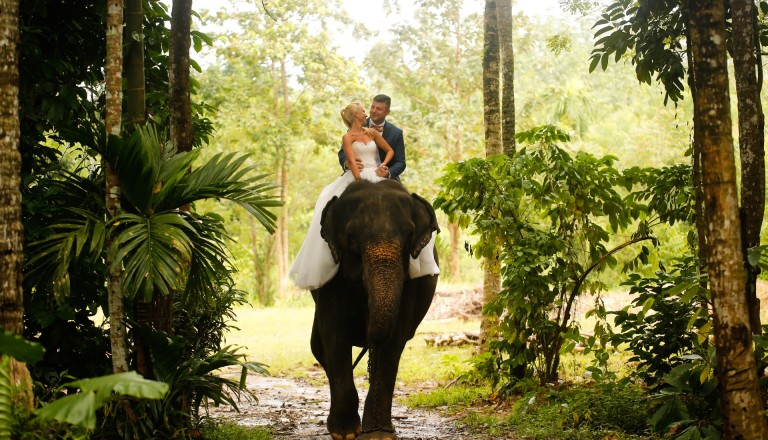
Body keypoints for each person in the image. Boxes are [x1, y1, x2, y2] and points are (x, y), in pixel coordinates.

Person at [289, 102, 395, 289]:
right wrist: (360, 182)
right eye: (363, 111)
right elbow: (352, 163)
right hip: (358, 177)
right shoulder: (347, 138)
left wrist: (383, 166)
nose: (367, 113)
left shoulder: (372, 133)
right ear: (356, 115)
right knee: (327, 200)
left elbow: (390, 151)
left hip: (377, 175)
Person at [338, 94, 406, 180]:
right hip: (358, 173)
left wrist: (388, 173)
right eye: (372, 107)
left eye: (379, 109)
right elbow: (342, 153)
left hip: (385, 177)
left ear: (387, 112)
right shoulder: (355, 125)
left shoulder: (396, 133)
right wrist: (347, 164)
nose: (374, 111)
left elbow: (400, 162)